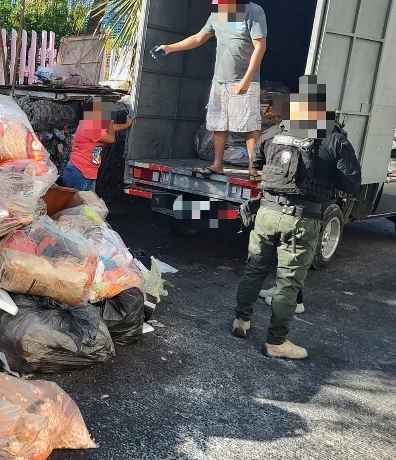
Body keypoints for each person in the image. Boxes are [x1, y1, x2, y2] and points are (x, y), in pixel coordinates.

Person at [232, 75, 361, 360]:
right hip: (302, 220)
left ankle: (241, 321)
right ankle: (277, 342)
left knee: (254, 269)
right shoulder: (334, 139)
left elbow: (256, 164)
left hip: (266, 212)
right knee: (289, 281)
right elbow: (352, 184)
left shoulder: (274, 132)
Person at [154, 0, 267, 180]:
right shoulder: (218, 13)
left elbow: (260, 47)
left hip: (245, 81)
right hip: (220, 80)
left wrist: (246, 79)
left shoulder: (253, 11)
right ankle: (217, 165)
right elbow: (199, 38)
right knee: (219, 123)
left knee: (249, 125)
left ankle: (253, 169)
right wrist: (170, 48)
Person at [62, 97, 133, 192]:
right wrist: (111, 122)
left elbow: (112, 128)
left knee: (89, 205)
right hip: (79, 172)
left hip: (89, 172)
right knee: (78, 204)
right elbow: (111, 138)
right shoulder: (89, 127)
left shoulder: (94, 124)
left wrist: (126, 125)